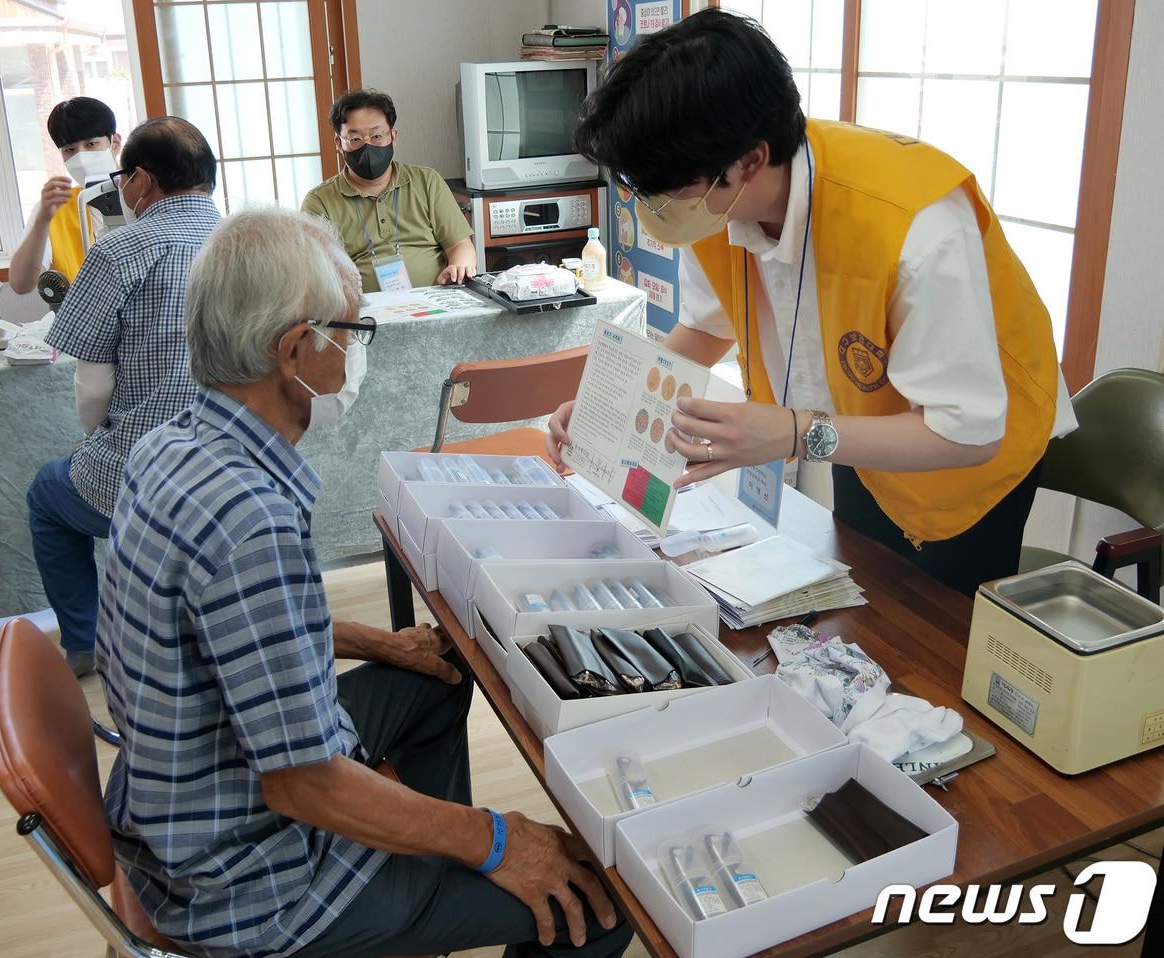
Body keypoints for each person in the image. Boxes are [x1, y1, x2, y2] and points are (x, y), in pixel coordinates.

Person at [96, 206, 630, 958]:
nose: (353, 351)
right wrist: (497, 841)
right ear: (293, 351)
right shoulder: (249, 519)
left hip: (182, 798)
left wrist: (381, 643)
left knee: (437, 675)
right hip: (249, 879)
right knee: (596, 906)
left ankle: (421, 892)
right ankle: (416, 891)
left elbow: (231, 632)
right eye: (348, 333)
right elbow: (304, 786)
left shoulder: (171, 444)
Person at [547, 10, 1077, 596]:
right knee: (860, 596)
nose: (656, 205)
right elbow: (705, 326)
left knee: (932, 639)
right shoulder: (715, 205)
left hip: (972, 445)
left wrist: (796, 433)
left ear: (750, 159)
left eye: (670, 187)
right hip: (859, 420)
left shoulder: (914, 230)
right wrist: (610, 407)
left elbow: (970, 432)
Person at [27, 116, 221, 677]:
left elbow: (92, 383)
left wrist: (96, 438)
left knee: (47, 491)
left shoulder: (121, 250)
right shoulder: (256, 237)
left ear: (138, 180)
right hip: (241, 462)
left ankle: (84, 643)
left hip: (155, 465)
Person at [302, 88, 476, 293]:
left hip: (435, 302)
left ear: (393, 137)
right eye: (355, 139)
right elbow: (315, 273)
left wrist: (458, 267)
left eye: (376, 135)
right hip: (363, 314)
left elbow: (460, 245)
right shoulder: (319, 201)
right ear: (339, 143)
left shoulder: (427, 181)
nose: (367, 146)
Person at [7, 96, 123, 296]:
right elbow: (20, 284)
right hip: (85, 322)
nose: (81, 156)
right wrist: (43, 219)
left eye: (91, 144)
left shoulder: (145, 195)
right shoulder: (55, 209)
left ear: (115, 142)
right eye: (70, 149)